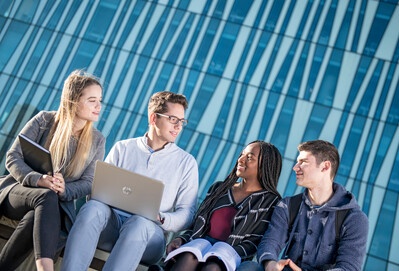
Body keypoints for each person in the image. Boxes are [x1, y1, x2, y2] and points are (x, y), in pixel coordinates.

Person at [61, 91, 199, 271]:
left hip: (150, 235)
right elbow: (98, 193)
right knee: (92, 208)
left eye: (181, 121)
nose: (178, 126)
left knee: (140, 223)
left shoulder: (186, 163)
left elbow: (187, 213)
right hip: (111, 225)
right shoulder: (123, 147)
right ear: (153, 118)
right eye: (173, 119)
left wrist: (161, 217)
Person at [0, 70, 105, 271]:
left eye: (99, 100)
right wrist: (38, 180)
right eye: (92, 100)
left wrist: (64, 188)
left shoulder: (97, 140)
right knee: (46, 195)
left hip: (53, 205)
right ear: (74, 100)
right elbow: (13, 157)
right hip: (16, 192)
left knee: (36, 216)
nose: (99, 106)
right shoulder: (44, 120)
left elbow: (89, 182)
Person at [237, 140, 369, 271]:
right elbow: (271, 241)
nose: (295, 167)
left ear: (325, 166)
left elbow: (348, 267)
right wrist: (271, 264)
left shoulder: (354, 219)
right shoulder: (288, 206)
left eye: (303, 162)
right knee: (248, 268)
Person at [159, 140, 282, 271]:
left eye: (250, 157)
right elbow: (196, 227)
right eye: (242, 154)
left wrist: (222, 252)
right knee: (189, 257)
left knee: (213, 267)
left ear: (265, 165)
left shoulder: (271, 201)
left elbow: (255, 242)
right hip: (199, 246)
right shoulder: (219, 188)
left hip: (231, 255)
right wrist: (181, 239)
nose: (241, 159)